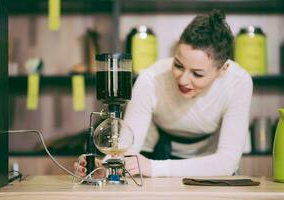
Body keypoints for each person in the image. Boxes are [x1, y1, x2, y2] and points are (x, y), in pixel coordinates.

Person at [74, 9, 253, 178]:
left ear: (223, 69)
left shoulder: (239, 82)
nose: (183, 79)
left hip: (211, 168)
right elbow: (127, 149)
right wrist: (104, 169)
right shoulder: (151, 78)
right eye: (178, 65)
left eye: (197, 74)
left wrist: (153, 167)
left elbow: (226, 163)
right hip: (159, 154)